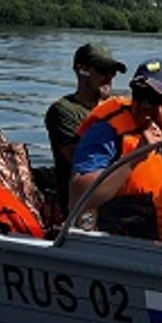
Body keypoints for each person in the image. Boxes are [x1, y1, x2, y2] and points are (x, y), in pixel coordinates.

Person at [68, 58, 162, 242]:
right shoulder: (107, 131)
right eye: (139, 94)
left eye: (155, 98)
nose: (145, 104)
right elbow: (77, 198)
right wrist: (135, 157)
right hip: (125, 253)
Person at [45, 42, 126, 212]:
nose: (110, 76)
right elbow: (85, 161)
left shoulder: (119, 108)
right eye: (103, 70)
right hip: (83, 204)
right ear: (82, 70)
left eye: (113, 71)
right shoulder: (63, 111)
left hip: (119, 198)